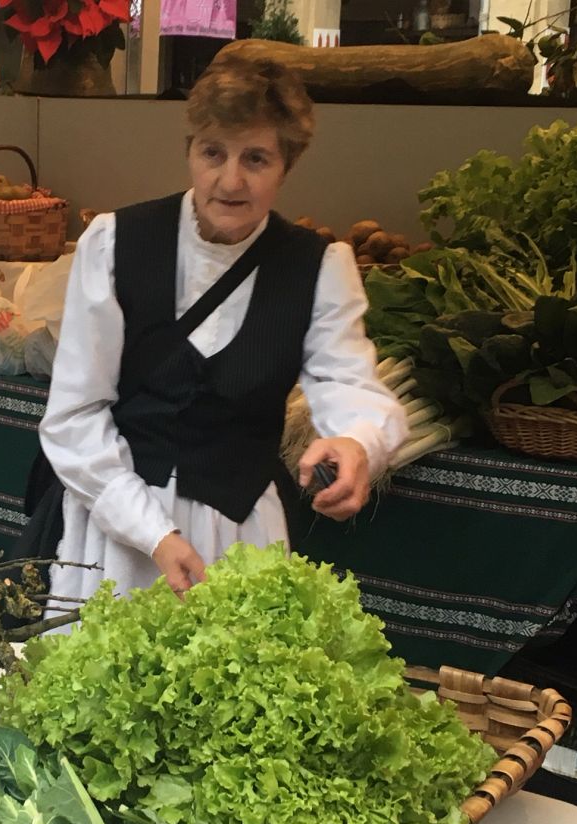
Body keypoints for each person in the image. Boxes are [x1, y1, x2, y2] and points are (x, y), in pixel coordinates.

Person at [38, 56, 408, 602]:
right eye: (213, 153)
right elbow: (73, 416)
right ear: (190, 151)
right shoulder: (116, 243)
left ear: (287, 165)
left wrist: (357, 442)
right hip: (117, 531)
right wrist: (153, 532)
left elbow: (347, 383)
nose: (230, 180)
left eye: (256, 158)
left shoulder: (319, 266)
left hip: (239, 537)